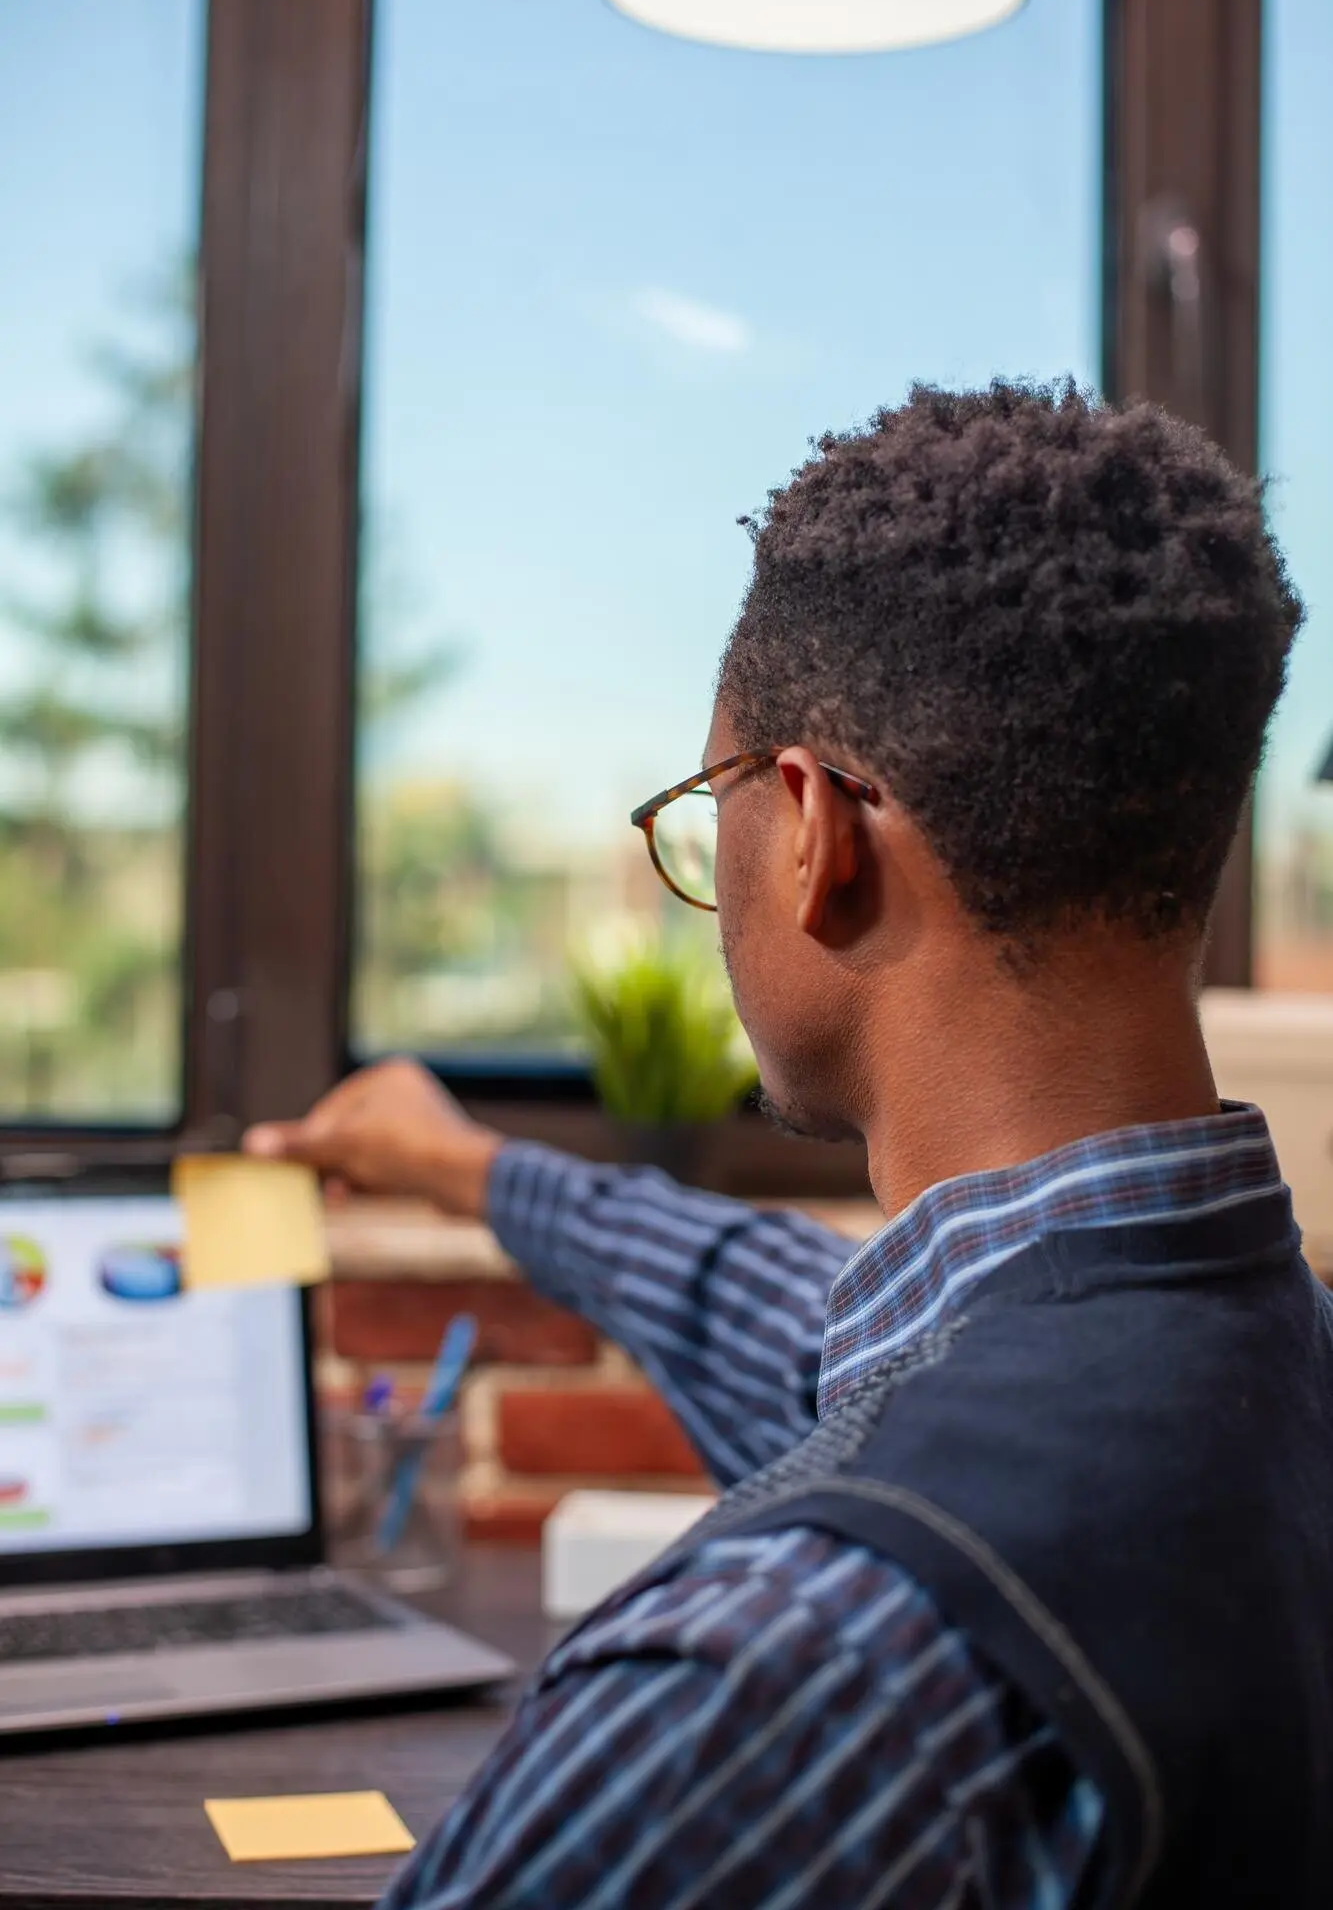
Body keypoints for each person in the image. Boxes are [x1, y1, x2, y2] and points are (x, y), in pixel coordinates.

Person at [247, 380, 1332, 1909]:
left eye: (715, 803)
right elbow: (796, 1325)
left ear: (817, 834)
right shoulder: (1254, 1363)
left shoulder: (776, 1673)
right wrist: (467, 1168)